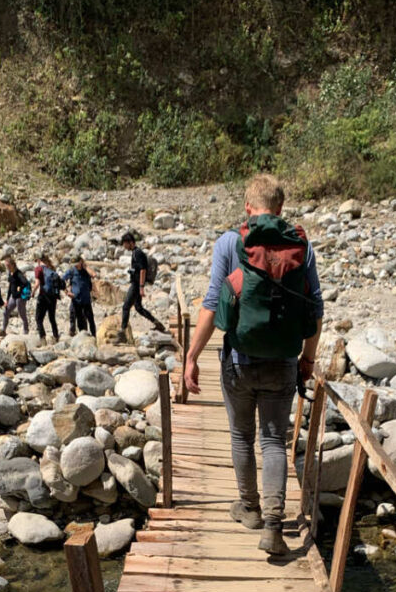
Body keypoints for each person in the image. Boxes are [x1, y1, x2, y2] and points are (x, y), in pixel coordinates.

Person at [183, 174, 323, 556]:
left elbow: (212, 305)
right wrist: (307, 358)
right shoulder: (301, 247)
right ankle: (275, 528)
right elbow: (317, 311)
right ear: (280, 208)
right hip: (282, 364)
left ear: (248, 207)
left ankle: (249, 508)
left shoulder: (231, 242)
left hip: (238, 361)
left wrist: (191, 357)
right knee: (274, 441)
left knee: (242, 436)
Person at [117, 232, 165, 342]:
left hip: (136, 284)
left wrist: (141, 287)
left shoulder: (137, 253)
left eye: (125, 244)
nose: (124, 246)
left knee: (126, 307)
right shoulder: (135, 253)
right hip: (137, 283)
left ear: (130, 243)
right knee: (138, 307)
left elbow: (143, 270)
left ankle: (122, 333)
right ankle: (157, 323)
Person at [62, 255, 96, 337]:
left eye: (77, 264)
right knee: (79, 319)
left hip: (86, 299)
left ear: (80, 262)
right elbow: (61, 280)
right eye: (74, 264)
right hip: (76, 300)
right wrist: (66, 292)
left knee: (90, 319)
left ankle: (94, 336)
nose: (75, 266)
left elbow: (94, 275)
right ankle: (82, 337)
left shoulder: (86, 270)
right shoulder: (72, 271)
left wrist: (85, 266)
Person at [31, 251, 61, 343]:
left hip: (43, 296)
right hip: (53, 297)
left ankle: (42, 338)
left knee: (38, 318)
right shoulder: (51, 269)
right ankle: (56, 336)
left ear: (39, 260)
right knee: (52, 318)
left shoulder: (38, 269)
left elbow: (37, 283)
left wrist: (32, 292)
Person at [2, 254, 31, 335]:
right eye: (6, 265)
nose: (7, 267)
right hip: (13, 297)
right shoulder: (10, 273)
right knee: (6, 312)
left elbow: (25, 283)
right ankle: (3, 330)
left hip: (20, 298)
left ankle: (26, 330)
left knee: (22, 314)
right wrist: (7, 300)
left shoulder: (18, 274)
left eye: (8, 265)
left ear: (12, 265)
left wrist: (19, 289)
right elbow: (10, 287)